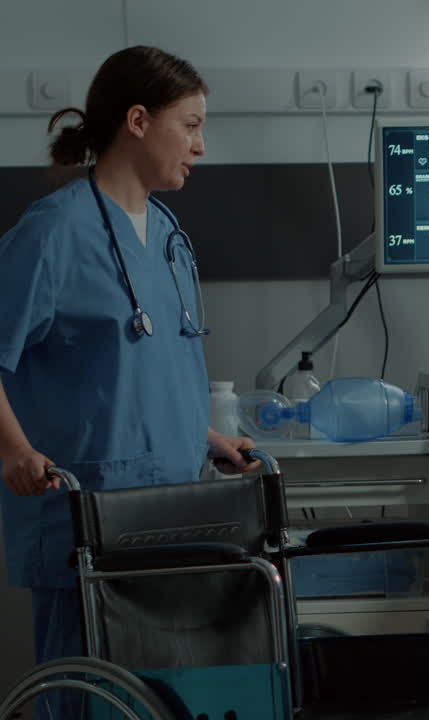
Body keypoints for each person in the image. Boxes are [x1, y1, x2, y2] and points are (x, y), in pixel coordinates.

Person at [0, 46, 259, 689]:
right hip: (83, 510)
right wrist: (13, 451)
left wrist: (207, 437)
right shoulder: (52, 233)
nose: (201, 145)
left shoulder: (168, 235)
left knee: (158, 693)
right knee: (88, 693)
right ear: (138, 120)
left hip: (166, 514)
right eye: (191, 125)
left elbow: (135, 372)